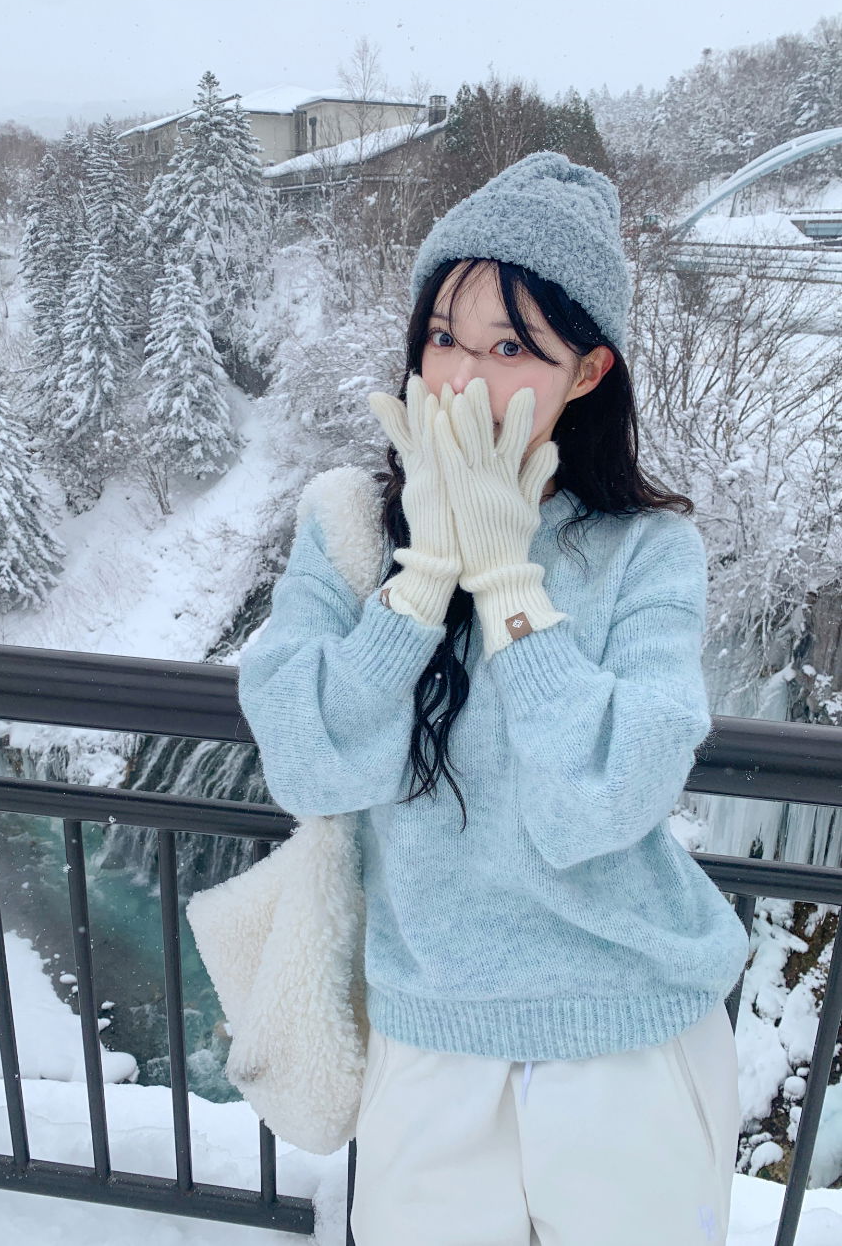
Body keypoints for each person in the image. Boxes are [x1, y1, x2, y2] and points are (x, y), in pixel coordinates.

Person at [236, 151, 750, 1246]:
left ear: (588, 369)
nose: (461, 376)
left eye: (511, 346)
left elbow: (604, 801)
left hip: (628, 1037)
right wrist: (422, 579)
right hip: (429, 1036)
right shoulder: (346, 526)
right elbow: (310, 762)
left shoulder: (647, 550)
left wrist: (510, 584)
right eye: (443, 336)